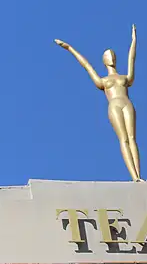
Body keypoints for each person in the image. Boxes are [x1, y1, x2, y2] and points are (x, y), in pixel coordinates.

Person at [55, 25, 142, 182]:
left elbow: (131, 58)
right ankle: (134, 176)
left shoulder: (125, 78)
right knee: (123, 139)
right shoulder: (103, 81)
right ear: (104, 60)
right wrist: (69, 48)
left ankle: (139, 176)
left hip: (127, 103)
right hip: (114, 105)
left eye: (113, 55)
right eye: (108, 55)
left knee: (132, 138)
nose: (112, 57)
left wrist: (134, 40)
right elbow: (87, 66)